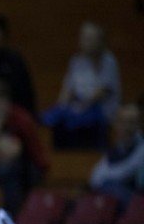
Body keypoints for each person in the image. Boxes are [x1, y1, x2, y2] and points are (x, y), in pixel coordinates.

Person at [0, 77, 50, 216]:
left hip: (32, 167)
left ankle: (11, 217)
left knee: (8, 168)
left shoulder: (20, 118)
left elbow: (13, 151)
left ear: (7, 102)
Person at [41, 21, 121, 150]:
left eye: (89, 38)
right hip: (78, 109)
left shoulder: (109, 61)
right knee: (58, 119)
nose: (83, 41)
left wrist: (79, 108)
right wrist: (61, 107)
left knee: (77, 119)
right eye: (82, 37)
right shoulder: (76, 61)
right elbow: (67, 90)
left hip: (101, 112)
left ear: (100, 41)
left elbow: (101, 92)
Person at [88, 101, 144, 207]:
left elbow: (128, 171)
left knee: (109, 186)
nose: (126, 127)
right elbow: (95, 176)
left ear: (139, 124)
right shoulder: (117, 148)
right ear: (116, 124)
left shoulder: (142, 146)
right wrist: (105, 179)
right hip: (117, 197)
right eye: (122, 122)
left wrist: (105, 178)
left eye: (131, 122)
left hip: (136, 198)